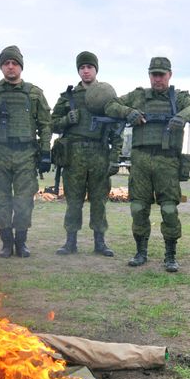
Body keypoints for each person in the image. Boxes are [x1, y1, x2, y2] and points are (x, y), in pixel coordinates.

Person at [104, 57, 190, 272]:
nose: (157, 79)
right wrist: (128, 112)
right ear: (149, 75)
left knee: (168, 209)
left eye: (161, 74)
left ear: (169, 75)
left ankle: (170, 255)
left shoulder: (180, 97)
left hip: (167, 161)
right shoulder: (138, 96)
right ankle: (141, 252)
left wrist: (181, 116)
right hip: (140, 160)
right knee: (138, 207)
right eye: (154, 74)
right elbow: (110, 105)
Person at [0, 45, 52, 259]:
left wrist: (45, 152)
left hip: (26, 153)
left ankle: (21, 242)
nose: (10, 67)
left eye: (14, 63)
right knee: (1, 200)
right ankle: (6, 243)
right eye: (6, 63)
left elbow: (45, 124)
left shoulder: (34, 93)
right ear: (1, 67)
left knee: (24, 200)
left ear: (21, 66)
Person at [50, 51, 123, 257]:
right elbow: (52, 123)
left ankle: (100, 242)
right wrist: (67, 120)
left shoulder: (107, 96)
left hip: (99, 152)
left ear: (96, 69)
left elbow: (117, 130)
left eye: (89, 67)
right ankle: (70, 241)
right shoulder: (68, 97)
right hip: (74, 155)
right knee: (73, 200)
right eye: (82, 67)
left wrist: (114, 158)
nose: (85, 71)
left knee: (99, 200)